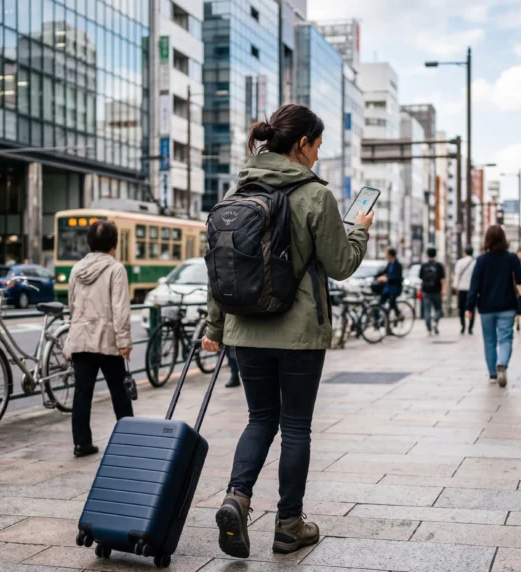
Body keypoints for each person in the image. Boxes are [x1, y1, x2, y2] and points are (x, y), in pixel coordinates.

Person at [201, 103, 372, 558]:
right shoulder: (315, 195)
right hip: (298, 335)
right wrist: (359, 230)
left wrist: (215, 326)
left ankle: (236, 498)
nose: (317, 155)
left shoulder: (238, 191)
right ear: (302, 143)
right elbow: (341, 265)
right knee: (296, 427)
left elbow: (218, 269)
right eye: (316, 146)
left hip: (244, 330)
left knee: (260, 419)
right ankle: (289, 525)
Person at [62, 220, 134, 457]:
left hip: (81, 339)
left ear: (89, 243)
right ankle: (128, 441)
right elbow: (120, 309)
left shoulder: (76, 269)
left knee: (82, 393)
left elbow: (72, 306)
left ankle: (81, 444)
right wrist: (124, 343)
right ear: (114, 244)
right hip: (107, 340)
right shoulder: (116, 269)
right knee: (119, 392)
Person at [465, 225, 521, 388]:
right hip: (507, 305)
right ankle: (502, 363)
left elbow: (474, 285)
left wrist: (469, 307)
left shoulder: (481, 260)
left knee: (489, 340)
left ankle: (492, 373)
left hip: (486, 307)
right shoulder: (511, 258)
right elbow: (520, 279)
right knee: (505, 339)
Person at [419, 247, 446, 335]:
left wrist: (420, 290)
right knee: (438, 309)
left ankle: (429, 328)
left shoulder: (424, 265)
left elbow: (421, 280)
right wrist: (443, 290)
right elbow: (442, 279)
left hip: (426, 290)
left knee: (427, 310)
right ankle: (435, 322)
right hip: (437, 290)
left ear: (427, 254)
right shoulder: (439, 265)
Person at [453, 246, 475, 334]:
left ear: (465, 252)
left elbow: (457, 275)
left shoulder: (460, 262)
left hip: (462, 288)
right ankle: (470, 328)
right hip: (472, 289)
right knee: (471, 308)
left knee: (461, 308)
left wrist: (456, 287)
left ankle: (463, 326)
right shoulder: (475, 262)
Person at [375, 248, 403, 317]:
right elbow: (384, 272)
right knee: (381, 301)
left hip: (395, 288)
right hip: (388, 288)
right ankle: (381, 317)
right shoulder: (389, 264)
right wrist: (377, 277)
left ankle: (397, 314)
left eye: (387, 254)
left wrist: (387, 279)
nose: (386, 256)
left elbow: (397, 277)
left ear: (390, 255)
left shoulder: (397, 265)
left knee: (391, 302)